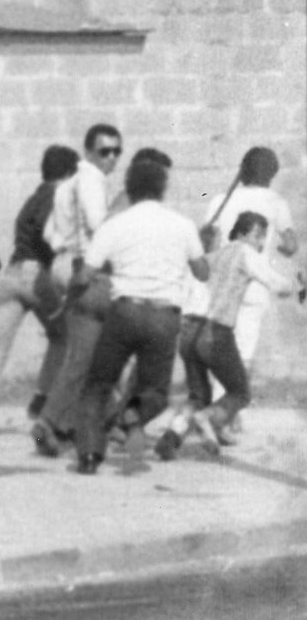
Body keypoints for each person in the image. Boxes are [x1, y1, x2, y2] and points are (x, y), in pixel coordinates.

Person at [72, 159, 207, 474]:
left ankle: (90, 455)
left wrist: (75, 290)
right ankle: (133, 412)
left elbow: (85, 275)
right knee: (156, 392)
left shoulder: (114, 224)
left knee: (98, 384)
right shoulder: (182, 224)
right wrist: (202, 244)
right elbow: (202, 272)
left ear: (129, 189)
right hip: (164, 316)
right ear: (162, 188)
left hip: (124, 312)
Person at [154, 212, 301, 460]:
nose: (261, 241)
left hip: (189, 330)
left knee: (198, 395)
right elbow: (278, 285)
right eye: (257, 234)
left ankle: (172, 437)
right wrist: (299, 285)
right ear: (241, 233)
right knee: (240, 391)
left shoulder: (213, 255)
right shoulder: (246, 254)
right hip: (215, 331)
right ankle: (208, 419)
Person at [0, 144, 78, 437]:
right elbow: (46, 230)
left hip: (12, 275)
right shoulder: (57, 195)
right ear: (67, 173)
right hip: (35, 274)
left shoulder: (32, 197)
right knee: (63, 336)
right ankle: (42, 399)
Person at [32, 124, 123, 456]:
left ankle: (68, 422)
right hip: (84, 269)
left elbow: (47, 231)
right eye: (105, 151)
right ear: (88, 151)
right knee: (92, 354)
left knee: (83, 351)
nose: (111, 158)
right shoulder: (91, 180)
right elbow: (101, 225)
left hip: (61, 263)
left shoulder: (66, 183)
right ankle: (58, 420)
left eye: (116, 151)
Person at [202, 147, 298, 374]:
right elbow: (291, 245)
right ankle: (230, 400)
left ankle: (218, 398)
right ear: (271, 175)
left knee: (219, 346)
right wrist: (279, 248)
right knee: (243, 350)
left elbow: (210, 244)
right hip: (253, 285)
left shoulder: (219, 201)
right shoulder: (276, 202)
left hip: (222, 286)